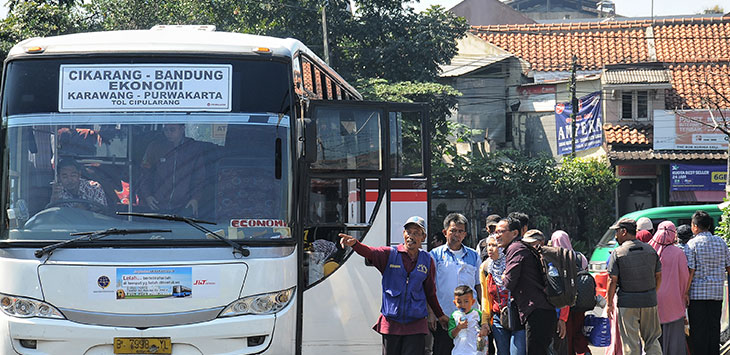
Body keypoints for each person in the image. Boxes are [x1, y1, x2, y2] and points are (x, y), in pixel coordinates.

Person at [339, 216, 449, 355]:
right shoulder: (389, 254)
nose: (411, 236)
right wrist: (355, 244)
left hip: (416, 325)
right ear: (403, 234)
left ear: (423, 237)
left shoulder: (427, 261)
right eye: (408, 232)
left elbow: (430, 292)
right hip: (391, 324)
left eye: (416, 233)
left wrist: (440, 315)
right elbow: (370, 252)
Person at [498, 217, 556, 355]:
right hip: (541, 310)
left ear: (514, 233)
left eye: (501, 231)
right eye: (496, 232)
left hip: (536, 311)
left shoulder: (515, 248)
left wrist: (503, 276)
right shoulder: (521, 247)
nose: (497, 235)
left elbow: (509, 282)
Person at [605, 218, 662, 355]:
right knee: (652, 340)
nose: (616, 235)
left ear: (624, 231)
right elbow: (658, 275)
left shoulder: (618, 253)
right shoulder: (650, 250)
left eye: (617, 232)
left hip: (627, 303)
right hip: (649, 301)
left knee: (630, 342)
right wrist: (652, 292)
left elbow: (612, 280)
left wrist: (609, 304)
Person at [431, 213, 482, 355]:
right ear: (445, 232)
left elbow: (479, 285)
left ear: (465, 234)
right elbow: (430, 287)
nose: (456, 234)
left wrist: (483, 315)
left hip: (470, 319)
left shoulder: (473, 255)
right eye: (453, 230)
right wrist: (431, 314)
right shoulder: (434, 255)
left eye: (460, 231)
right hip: (444, 317)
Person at [686, 210, 730, 355]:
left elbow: (690, 271)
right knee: (713, 329)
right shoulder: (721, 242)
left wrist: (685, 292)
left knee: (698, 331)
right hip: (716, 294)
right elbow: (728, 267)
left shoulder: (692, 244)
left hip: (697, 295)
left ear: (695, 226)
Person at [139, 124, 205, 216]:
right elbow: (145, 174)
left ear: (182, 129)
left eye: (172, 130)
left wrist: (195, 199)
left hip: (184, 206)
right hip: (156, 206)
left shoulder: (193, 149)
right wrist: (147, 196)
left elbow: (199, 177)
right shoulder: (155, 147)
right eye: (166, 130)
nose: (168, 133)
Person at [480, 234, 526, 355]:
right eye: (488, 245)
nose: (490, 249)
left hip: (517, 316)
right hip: (498, 318)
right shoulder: (486, 268)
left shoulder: (514, 265)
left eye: (494, 245)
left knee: (517, 352)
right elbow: (485, 297)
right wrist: (485, 321)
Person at [648, 221, 689, 355]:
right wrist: (684, 296)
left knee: (654, 337)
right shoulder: (678, 253)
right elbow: (684, 278)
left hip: (652, 299)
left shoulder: (649, 250)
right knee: (675, 337)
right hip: (674, 301)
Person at [550, 231, 590, 355]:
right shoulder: (580, 257)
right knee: (579, 332)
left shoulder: (555, 260)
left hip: (564, 305)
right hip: (580, 302)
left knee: (565, 335)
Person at [449, 285, 489, 355]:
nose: (463, 305)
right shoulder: (454, 316)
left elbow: (485, 327)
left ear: (473, 302)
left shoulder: (477, 314)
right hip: (459, 351)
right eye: (459, 302)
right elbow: (452, 335)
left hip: (476, 351)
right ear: (455, 303)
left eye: (466, 301)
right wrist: (458, 327)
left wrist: (483, 330)